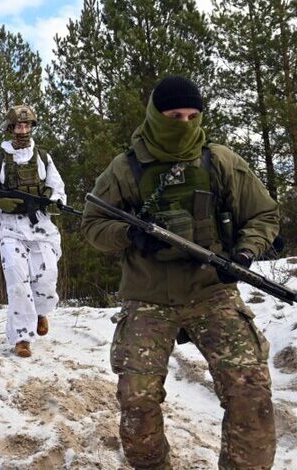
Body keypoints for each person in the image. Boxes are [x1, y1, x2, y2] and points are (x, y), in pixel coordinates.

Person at [81, 75, 279, 469]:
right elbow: (92, 226)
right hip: (148, 295)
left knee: (250, 394)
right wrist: (131, 236)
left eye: (192, 116)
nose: (184, 124)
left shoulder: (219, 160)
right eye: (174, 115)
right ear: (157, 115)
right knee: (137, 402)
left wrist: (243, 254)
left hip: (212, 291)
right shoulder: (125, 169)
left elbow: (263, 214)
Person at [0, 104, 67, 358]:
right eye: (18, 126)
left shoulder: (44, 157)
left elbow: (58, 189)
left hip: (40, 228)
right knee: (16, 279)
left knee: (47, 275)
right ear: (11, 128)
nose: (22, 130)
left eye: (26, 126)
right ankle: (22, 338)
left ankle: (41, 311)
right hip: (11, 229)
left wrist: (52, 200)